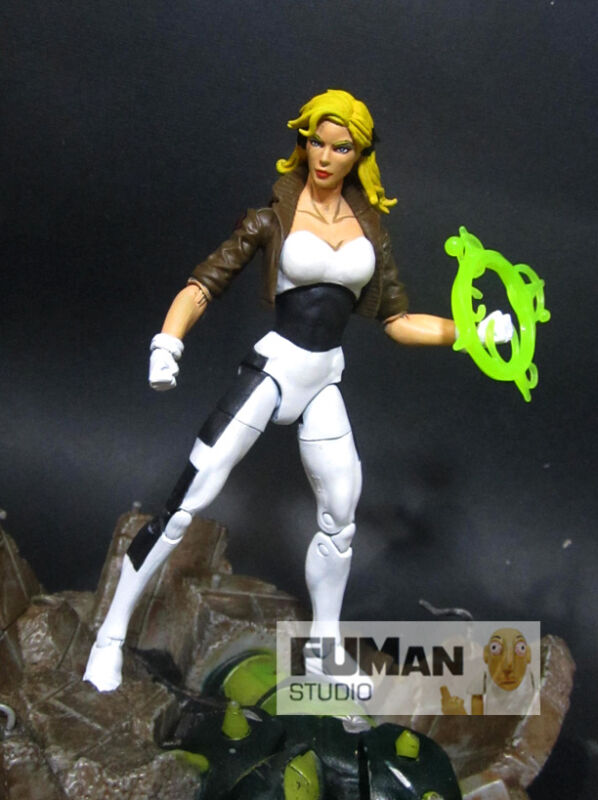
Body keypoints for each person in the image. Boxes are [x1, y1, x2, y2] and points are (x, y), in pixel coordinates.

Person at [84, 89, 512, 692]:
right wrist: (168, 342)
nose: (326, 156)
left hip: (323, 378)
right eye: (318, 141)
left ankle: (322, 653)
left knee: (341, 517)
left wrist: (471, 331)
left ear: (359, 155)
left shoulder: (370, 230)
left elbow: (398, 321)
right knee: (184, 504)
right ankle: (108, 637)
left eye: (342, 147)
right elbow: (205, 283)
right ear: (304, 141)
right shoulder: (273, 218)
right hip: (274, 369)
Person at [440, 627, 538, 715]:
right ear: (486, 655)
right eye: (495, 648)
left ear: (528, 654)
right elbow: (476, 722)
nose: (508, 666)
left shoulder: (532, 679)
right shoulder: (483, 678)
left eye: (520, 649)